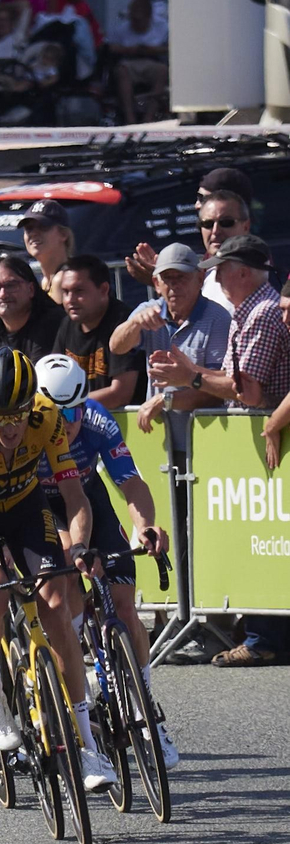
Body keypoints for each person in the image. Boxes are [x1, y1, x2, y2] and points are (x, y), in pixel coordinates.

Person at [0, 347, 116, 790]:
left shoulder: (47, 417)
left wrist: (79, 549)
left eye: (19, 414)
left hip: (25, 507)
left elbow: (76, 500)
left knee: (56, 599)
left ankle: (88, 745)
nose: (12, 427)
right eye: (1, 417)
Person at [145, 235, 290, 666]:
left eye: (221, 269)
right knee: (258, 536)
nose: (216, 277)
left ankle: (266, 636)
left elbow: (248, 391)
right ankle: (260, 630)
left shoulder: (263, 314)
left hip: (264, 442)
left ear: (242, 272)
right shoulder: (250, 312)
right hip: (253, 442)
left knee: (270, 536)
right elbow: (230, 377)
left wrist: (191, 378)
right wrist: (192, 376)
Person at [33, 355, 179, 768]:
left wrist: (146, 526)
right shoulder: (26, 430)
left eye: (75, 410)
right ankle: (73, 682)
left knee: (124, 604)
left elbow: (130, 483)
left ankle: (145, 710)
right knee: (68, 600)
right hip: (41, 508)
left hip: (85, 498)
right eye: (57, 415)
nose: (68, 423)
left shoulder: (97, 420)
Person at [118, 244, 232, 435]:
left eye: (182, 277)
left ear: (200, 278)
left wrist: (166, 399)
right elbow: (116, 347)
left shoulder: (218, 319)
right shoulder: (149, 310)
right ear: (156, 283)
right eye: (168, 278)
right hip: (161, 440)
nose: (174, 285)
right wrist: (134, 324)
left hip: (207, 439)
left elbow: (218, 391)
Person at [52, 254, 144, 409]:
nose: (69, 300)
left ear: (103, 290)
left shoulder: (124, 323)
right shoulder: (67, 323)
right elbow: (53, 381)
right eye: (65, 292)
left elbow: (120, 395)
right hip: (80, 420)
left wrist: (68, 405)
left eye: (78, 291)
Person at [0, 254, 65, 369]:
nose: (3, 294)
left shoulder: (51, 322)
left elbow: (38, 379)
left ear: (31, 289)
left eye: (11, 286)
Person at [110, 0, 169, 124]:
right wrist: (129, 50)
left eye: (139, 19)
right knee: (121, 71)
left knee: (163, 71)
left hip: (153, 61)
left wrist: (152, 50)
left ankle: (149, 117)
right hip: (129, 62)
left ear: (148, 16)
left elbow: (170, 47)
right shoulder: (122, 28)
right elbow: (112, 47)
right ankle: (130, 118)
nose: (135, 22)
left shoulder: (162, 27)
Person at [17, 201, 74, 300]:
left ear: (63, 234)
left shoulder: (63, 279)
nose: (34, 233)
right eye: (29, 228)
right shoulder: (45, 280)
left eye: (43, 226)